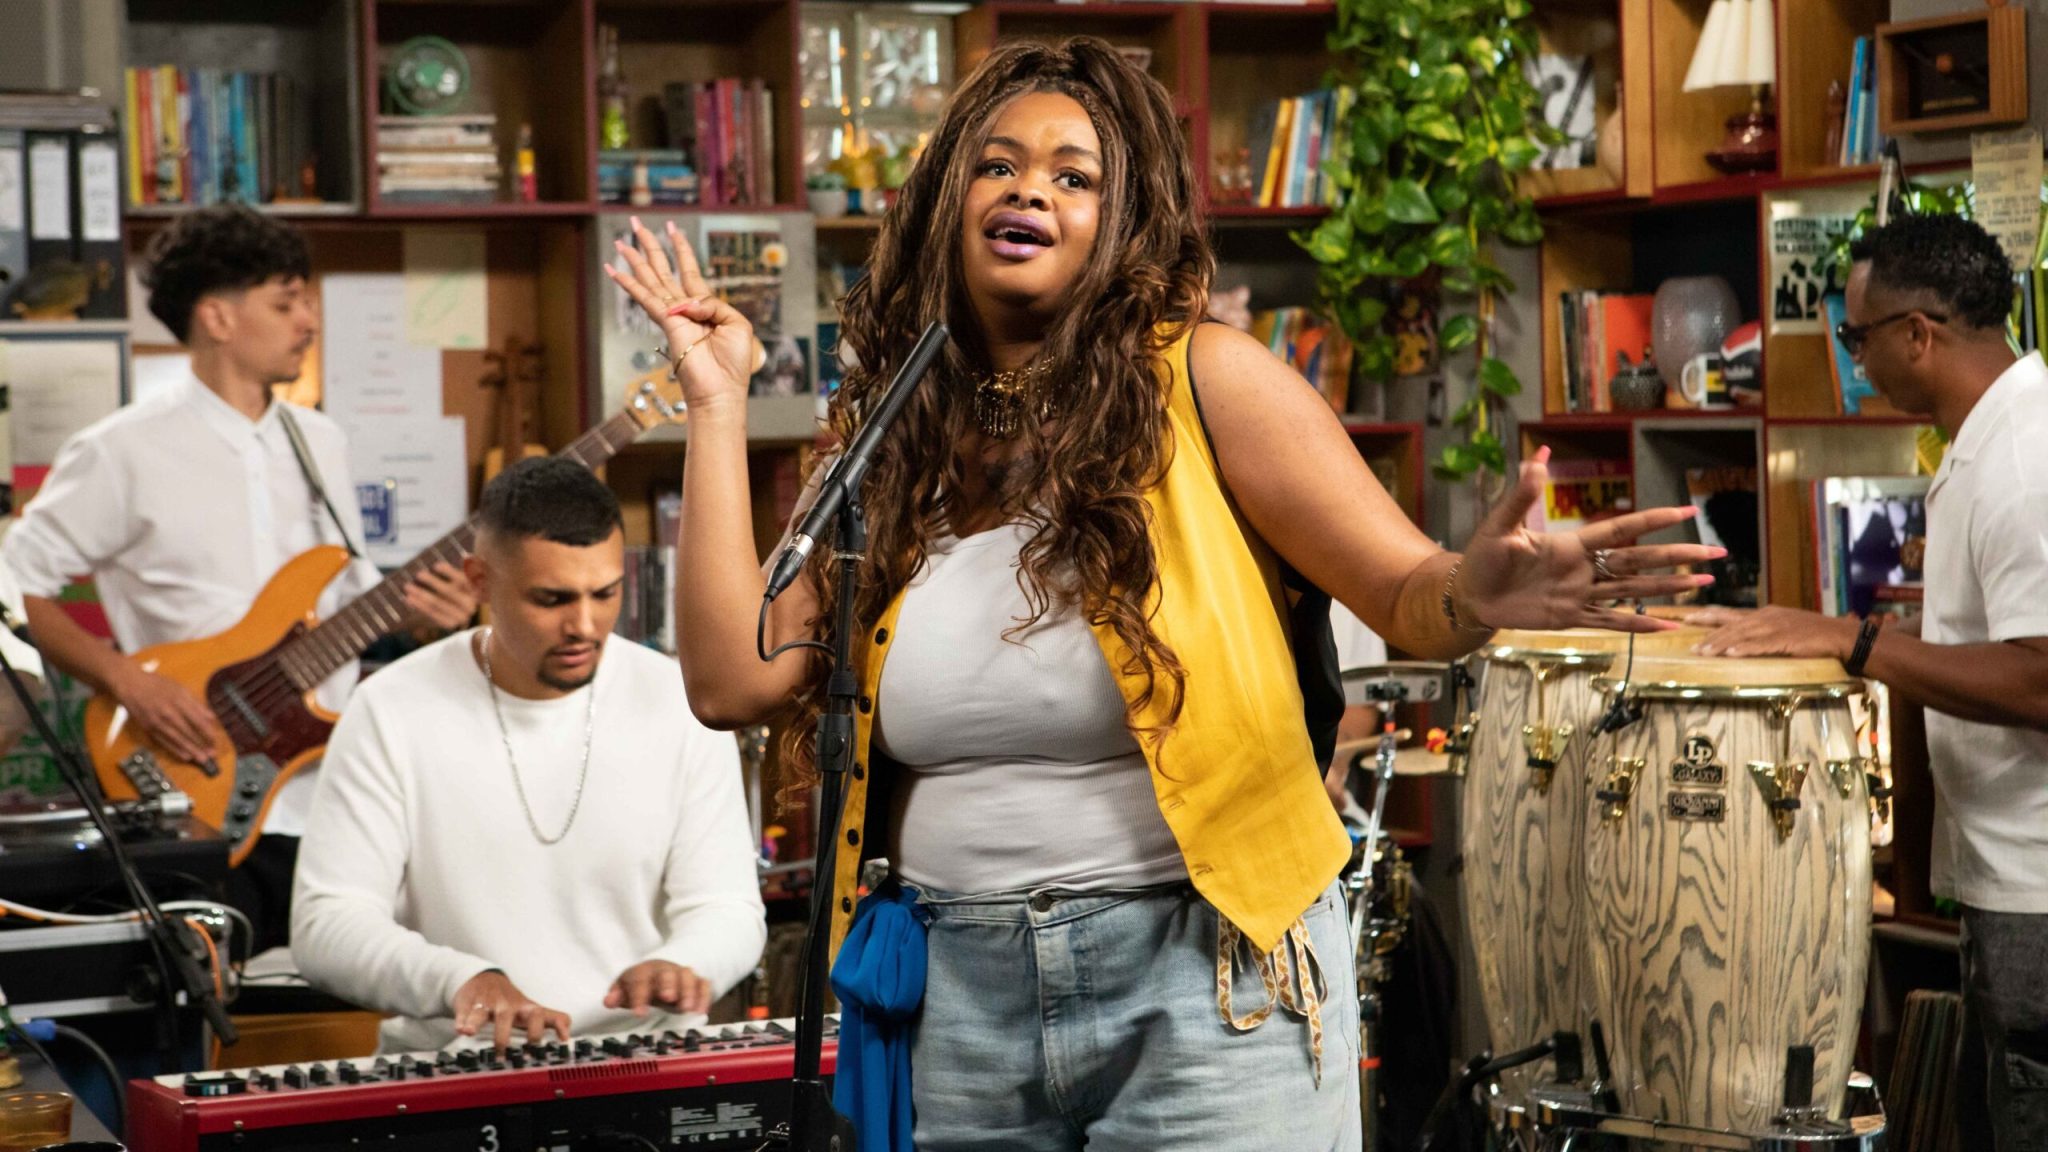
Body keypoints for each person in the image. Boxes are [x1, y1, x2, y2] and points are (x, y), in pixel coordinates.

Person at [606, 38, 1716, 1150]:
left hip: (1205, 978)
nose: (1027, 188)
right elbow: (727, 680)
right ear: (948, 202)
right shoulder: (889, 433)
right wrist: (715, 406)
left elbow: (1408, 594)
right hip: (960, 994)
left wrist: (1480, 588)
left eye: (1072, 175)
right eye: (995, 166)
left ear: (1122, 218)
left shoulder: (1205, 379)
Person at [0, 204, 475, 951]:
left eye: (307, 300)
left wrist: (425, 615)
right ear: (217, 318)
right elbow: (11, 583)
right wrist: (125, 681)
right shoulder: (122, 449)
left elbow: (352, 606)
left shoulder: (322, 441)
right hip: (192, 784)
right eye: (286, 303)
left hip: (335, 797)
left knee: (335, 1020)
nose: (309, 320)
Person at [1695, 213, 2048, 1148]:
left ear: (1920, 333)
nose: (1855, 361)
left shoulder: (2024, 456)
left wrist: (1854, 641)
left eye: (1858, 336)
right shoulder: (1987, 441)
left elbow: (2044, 682)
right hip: (2004, 883)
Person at [291, 458, 766, 1053]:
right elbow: (325, 926)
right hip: (455, 1066)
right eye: (551, 599)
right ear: (478, 581)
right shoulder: (391, 708)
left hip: (641, 1058)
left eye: (605, 593)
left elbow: (727, 908)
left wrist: (684, 960)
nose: (584, 625)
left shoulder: (681, 701)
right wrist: (460, 980)